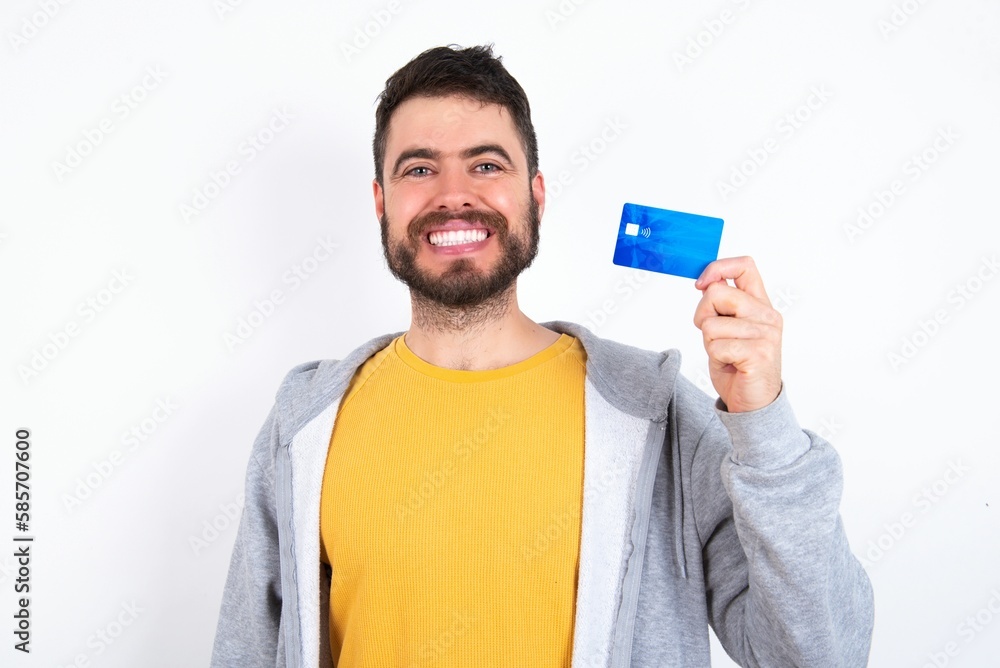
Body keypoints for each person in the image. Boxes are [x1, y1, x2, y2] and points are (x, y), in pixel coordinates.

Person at [210, 44, 874, 667]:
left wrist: (765, 431)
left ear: (537, 195)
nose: (453, 194)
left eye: (487, 164)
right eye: (419, 168)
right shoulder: (306, 426)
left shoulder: (658, 417)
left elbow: (820, 653)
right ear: (381, 202)